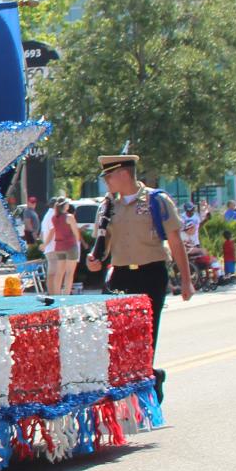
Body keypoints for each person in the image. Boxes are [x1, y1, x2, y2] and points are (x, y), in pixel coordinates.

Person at [85, 155, 194, 378]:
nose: (106, 181)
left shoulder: (157, 200)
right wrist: (94, 260)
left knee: (145, 336)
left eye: (109, 175)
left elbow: (175, 241)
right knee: (117, 337)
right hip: (120, 276)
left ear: (124, 173)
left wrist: (186, 280)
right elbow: (102, 247)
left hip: (151, 274)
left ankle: (149, 382)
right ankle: (128, 384)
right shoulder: (108, 207)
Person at [41, 196, 81, 295]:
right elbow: (76, 232)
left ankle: (57, 294)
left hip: (58, 246)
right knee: (69, 272)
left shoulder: (54, 218)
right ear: (65, 206)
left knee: (59, 272)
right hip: (70, 245)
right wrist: (78, 240)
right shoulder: (69, 217)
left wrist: (44, 244)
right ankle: (66, 294)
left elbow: (52, 231)